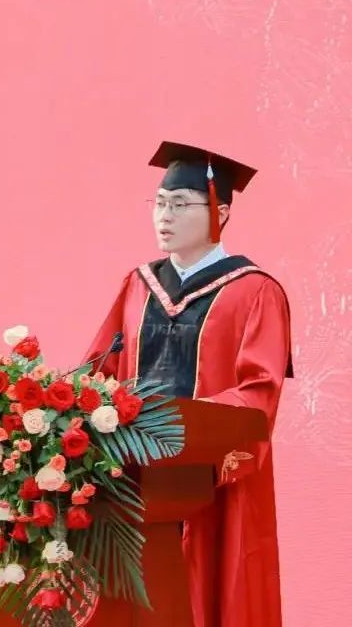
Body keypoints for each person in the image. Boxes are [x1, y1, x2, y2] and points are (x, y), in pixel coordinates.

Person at [83, 140, 293, 627]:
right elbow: (99, 370)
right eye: (159, 203)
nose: (165, 216)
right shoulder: (138, 285)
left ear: (220, 213)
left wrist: (178, 428)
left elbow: (259, 392)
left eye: (180, 204)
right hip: (132, 479)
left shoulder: (255, 291)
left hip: (210, 483)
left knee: (211, 591)